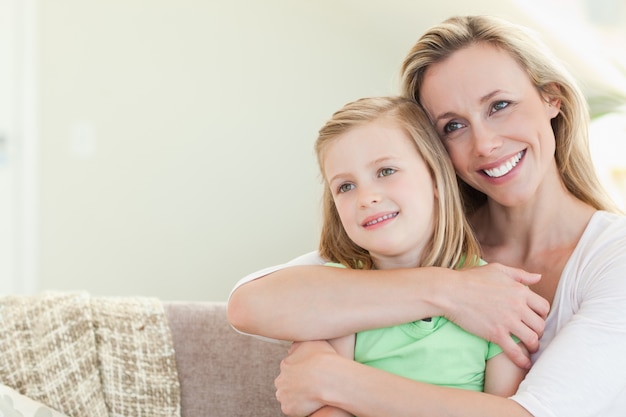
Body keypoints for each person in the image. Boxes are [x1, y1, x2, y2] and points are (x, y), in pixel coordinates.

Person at [228, 15, 626, 417]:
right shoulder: (424, 234)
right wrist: (450, 291)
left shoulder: (613, 256)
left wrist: (335, 380)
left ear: (551, 98)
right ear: (432, 154)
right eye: (453, 126)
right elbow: (251, 304)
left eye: (500, 105)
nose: (485, 144)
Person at [307, 96, 528, 417]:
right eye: (345, 186)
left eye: (386, 170)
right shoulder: (337, 290)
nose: (367, 197)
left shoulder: (496, 298)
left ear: (436, 178)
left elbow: (504, 408)